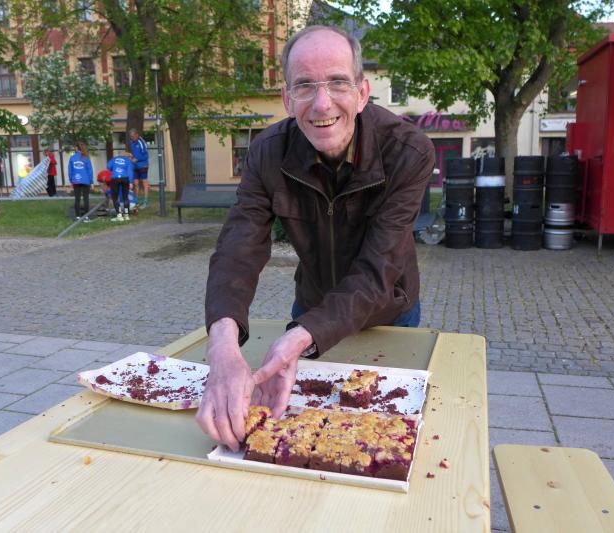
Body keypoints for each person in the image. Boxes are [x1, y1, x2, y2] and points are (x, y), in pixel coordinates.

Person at [197, 26, 434, 451]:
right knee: (301, 431)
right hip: (310, 309)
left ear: (362, 93)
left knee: (380, 435)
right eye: (305, 85)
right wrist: (223, 347)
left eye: (338, 83)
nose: (322, 104)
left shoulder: (408, 151)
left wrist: (300, 335)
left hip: (388, 314)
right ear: (287, 99)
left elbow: (379, 266)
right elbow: (239, 246)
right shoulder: (267, 152)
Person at [68, 141, 94, 222]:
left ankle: (77, 217)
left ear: (76, 148)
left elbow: (70, 171)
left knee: (77, 199)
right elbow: (90, 170)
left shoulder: (72, 158)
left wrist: (71, 180)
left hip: (76, 180)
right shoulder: (86, 157)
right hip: (86, 180)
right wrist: (91, 182)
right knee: (86, 199)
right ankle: (86, 217)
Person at [107, 151, 134, 221]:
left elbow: (108, 167)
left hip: (115, 178)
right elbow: (130, 171)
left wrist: (115, 169)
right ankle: (126, 215)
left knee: (115, 197)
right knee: (125, 197)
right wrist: (131, 182)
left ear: (118, 155)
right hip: (125, 178)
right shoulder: (128, 160)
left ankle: (119, 215)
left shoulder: (113, 159)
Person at [129, 129, 150, 208]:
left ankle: (146, 201)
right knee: (136, 183)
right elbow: (135, 154)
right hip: (135, 166)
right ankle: (135, 201)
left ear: (137, 135)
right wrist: (131, 157)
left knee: (144, 182)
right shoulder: (132, 143)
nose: (132, 138)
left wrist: (137, 159)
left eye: (133, 136)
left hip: (143, 165)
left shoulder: (142, 142)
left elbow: (145, 155)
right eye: (131, 137)